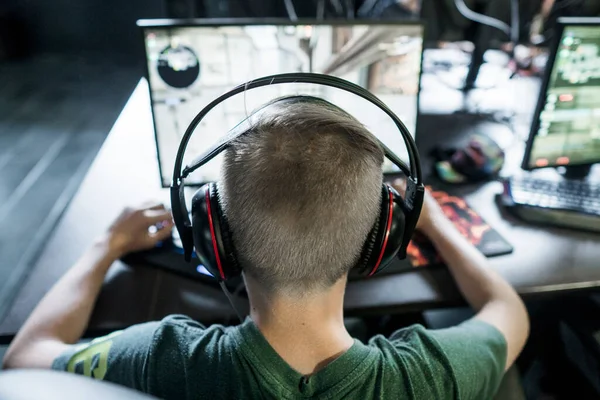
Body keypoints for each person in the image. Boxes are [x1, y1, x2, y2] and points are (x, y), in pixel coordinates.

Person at [3, 99, 529, 399]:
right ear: (382, 235)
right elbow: (508, 311)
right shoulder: (429, 376)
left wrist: (104, 247)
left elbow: (24, 359)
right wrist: (437, 227)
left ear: (215, 234)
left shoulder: (165, 361)